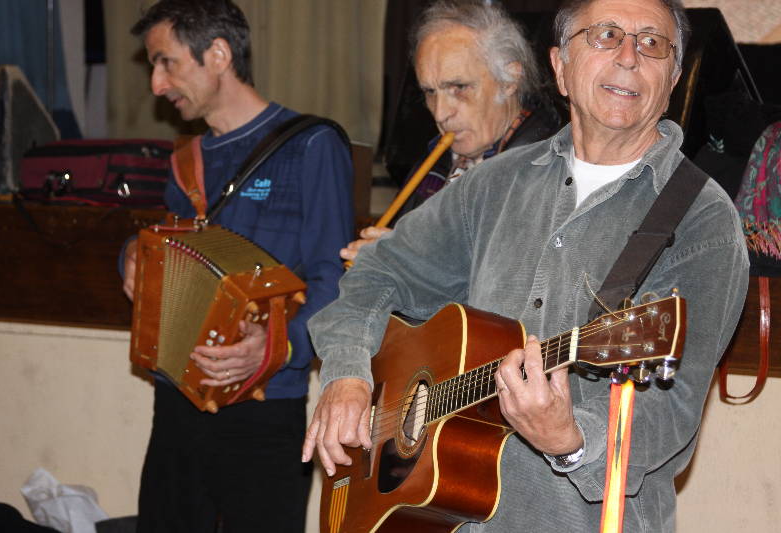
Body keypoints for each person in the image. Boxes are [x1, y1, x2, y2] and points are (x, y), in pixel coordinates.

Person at [303, 0, 749, 531]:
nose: (630, 56)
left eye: (652, 43)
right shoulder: (492, 185)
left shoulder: (702, 220)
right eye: (606, 35)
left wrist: (570, 439)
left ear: (672, 78)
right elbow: (376, 273)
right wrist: (348, 375)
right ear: (560, 66)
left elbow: (670, 418)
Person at [121, 1, 353, 532]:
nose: (157, 84)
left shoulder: (312, 145)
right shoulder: (187, 162)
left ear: (219, 55)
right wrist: (131, 254)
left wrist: (274, 347)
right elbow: (172, 247)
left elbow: (334, 280)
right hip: (178, 396)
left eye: (166, 62)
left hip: (266, 406)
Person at [340, 0, 561, 261]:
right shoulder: (436, 161)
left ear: (510, 79)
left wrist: (412, 264)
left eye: (459, 87)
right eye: (430, 91)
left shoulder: (549, 168)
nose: (440, 113)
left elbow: (521, 274)